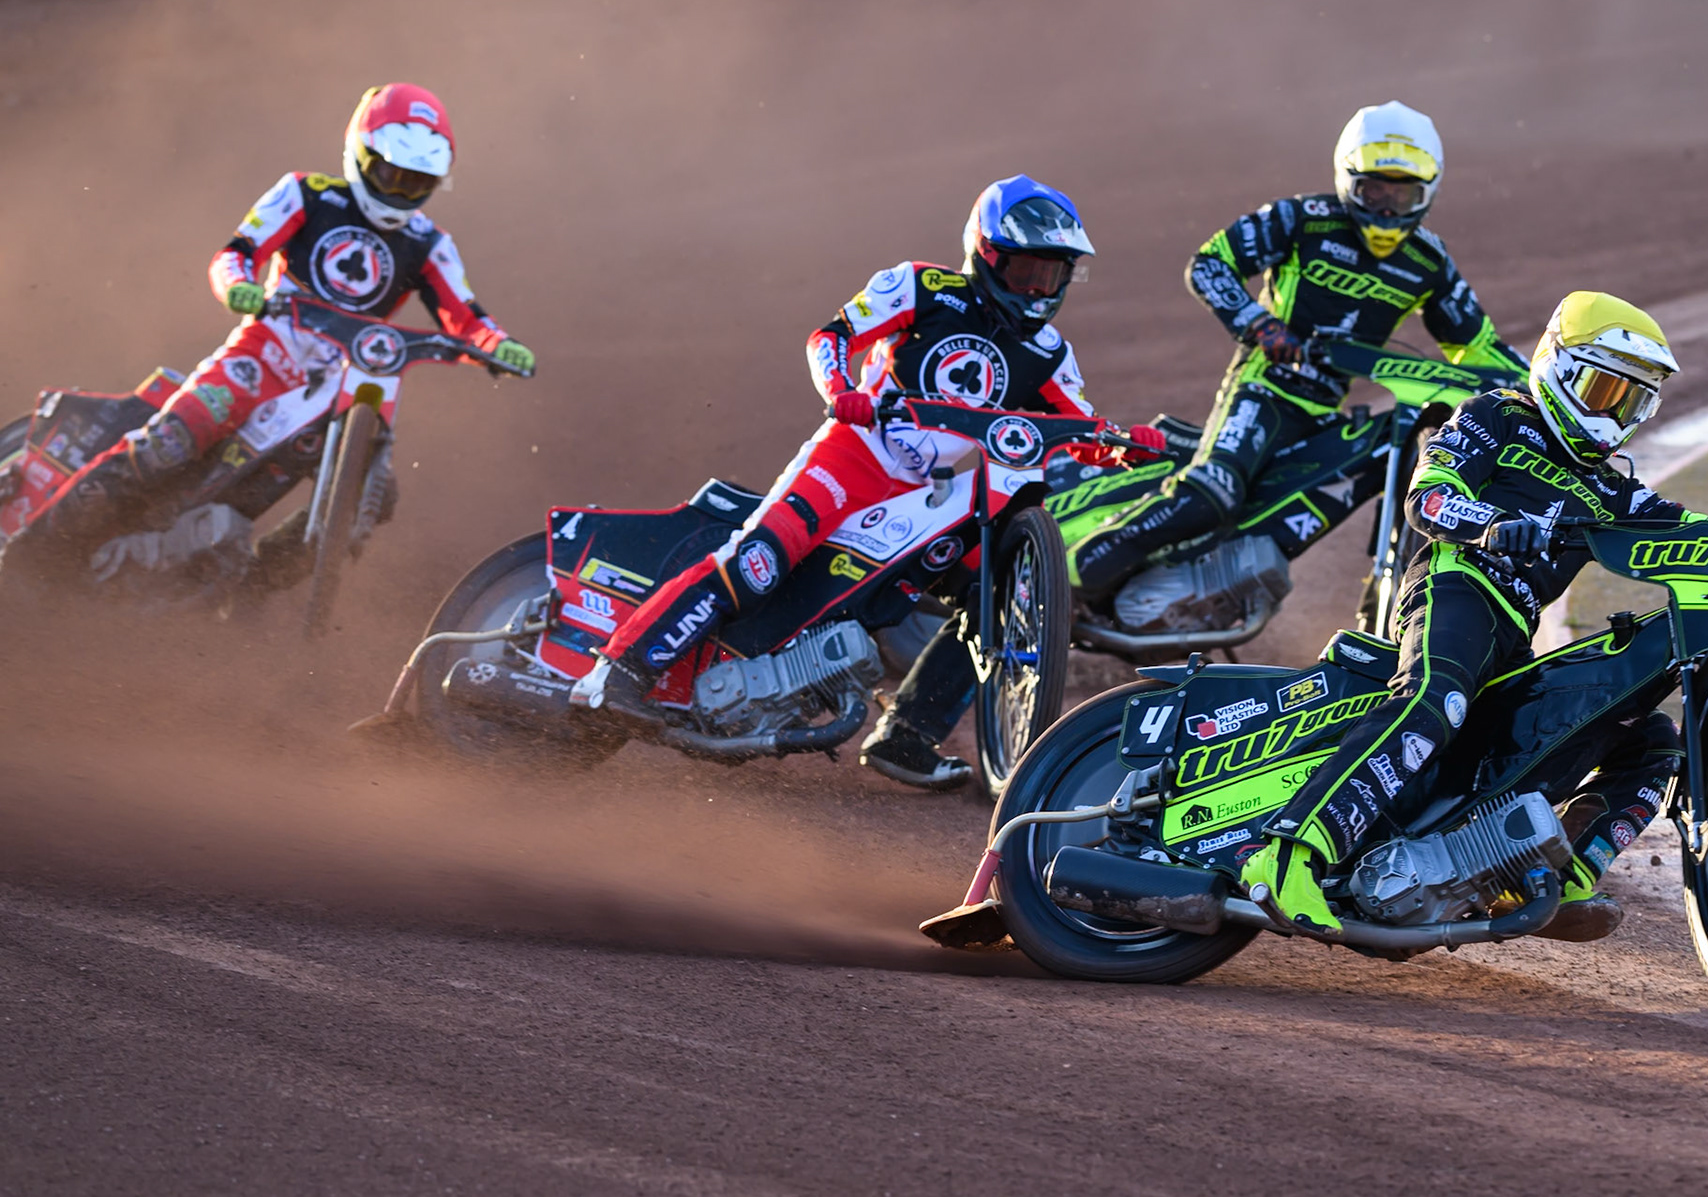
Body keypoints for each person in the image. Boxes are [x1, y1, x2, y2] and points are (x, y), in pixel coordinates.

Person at [1237, 291, 1708, 940]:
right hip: (1454, 590)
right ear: (1560, 368)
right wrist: (1489, 525)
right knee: (1437, 700)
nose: (1615, 414)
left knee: (1654, 741)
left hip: (1513, 635)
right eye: (1604, 390)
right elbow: (1427, 497)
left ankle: (1553, 876)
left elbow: (1697, 530)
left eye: (1632, 401)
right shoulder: (1496, 416)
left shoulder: (1610, 486)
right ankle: (1289, 853)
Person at [568, 175, 1163, 789]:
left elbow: (1081, 429)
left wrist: (1125, 446)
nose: (1039, 289)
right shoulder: (921, 286)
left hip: (920, 492)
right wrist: (841, 392)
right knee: (756, 564)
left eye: (1053, 275)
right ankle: (618, 672)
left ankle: (907, 736)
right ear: (987, 255)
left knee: (995, 597)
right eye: (1027, 272)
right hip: (848, 458)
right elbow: (831, 336)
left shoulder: (1048, 353)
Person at [12, 83, 534, 570]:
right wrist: (240, 287)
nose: (400, 192)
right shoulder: (306, 194)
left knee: (366, 502)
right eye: (392, 174)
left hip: (338, 387)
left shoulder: (430, 243)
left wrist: (500, 346)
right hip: (261, 354)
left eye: (416, 182)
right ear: (361, 153)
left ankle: (252, 590)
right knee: (168, 443)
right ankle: (30, 557)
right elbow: (235, 254)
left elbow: (467, 319)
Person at [1065, 100, 1527, 598]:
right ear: (1347, 180)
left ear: (1427, 193)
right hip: (1262, 389)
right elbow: (1210, 264)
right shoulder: (1302, 219)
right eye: (1374, 190)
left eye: (1403, 193)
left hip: (1324, 412)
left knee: (1348, 476)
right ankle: (1068, 573)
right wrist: (1262, 327)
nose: (1387, 209)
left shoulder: (1428, 262)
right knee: (1214, 490)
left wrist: (1536, 393)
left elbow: (1477, 348)